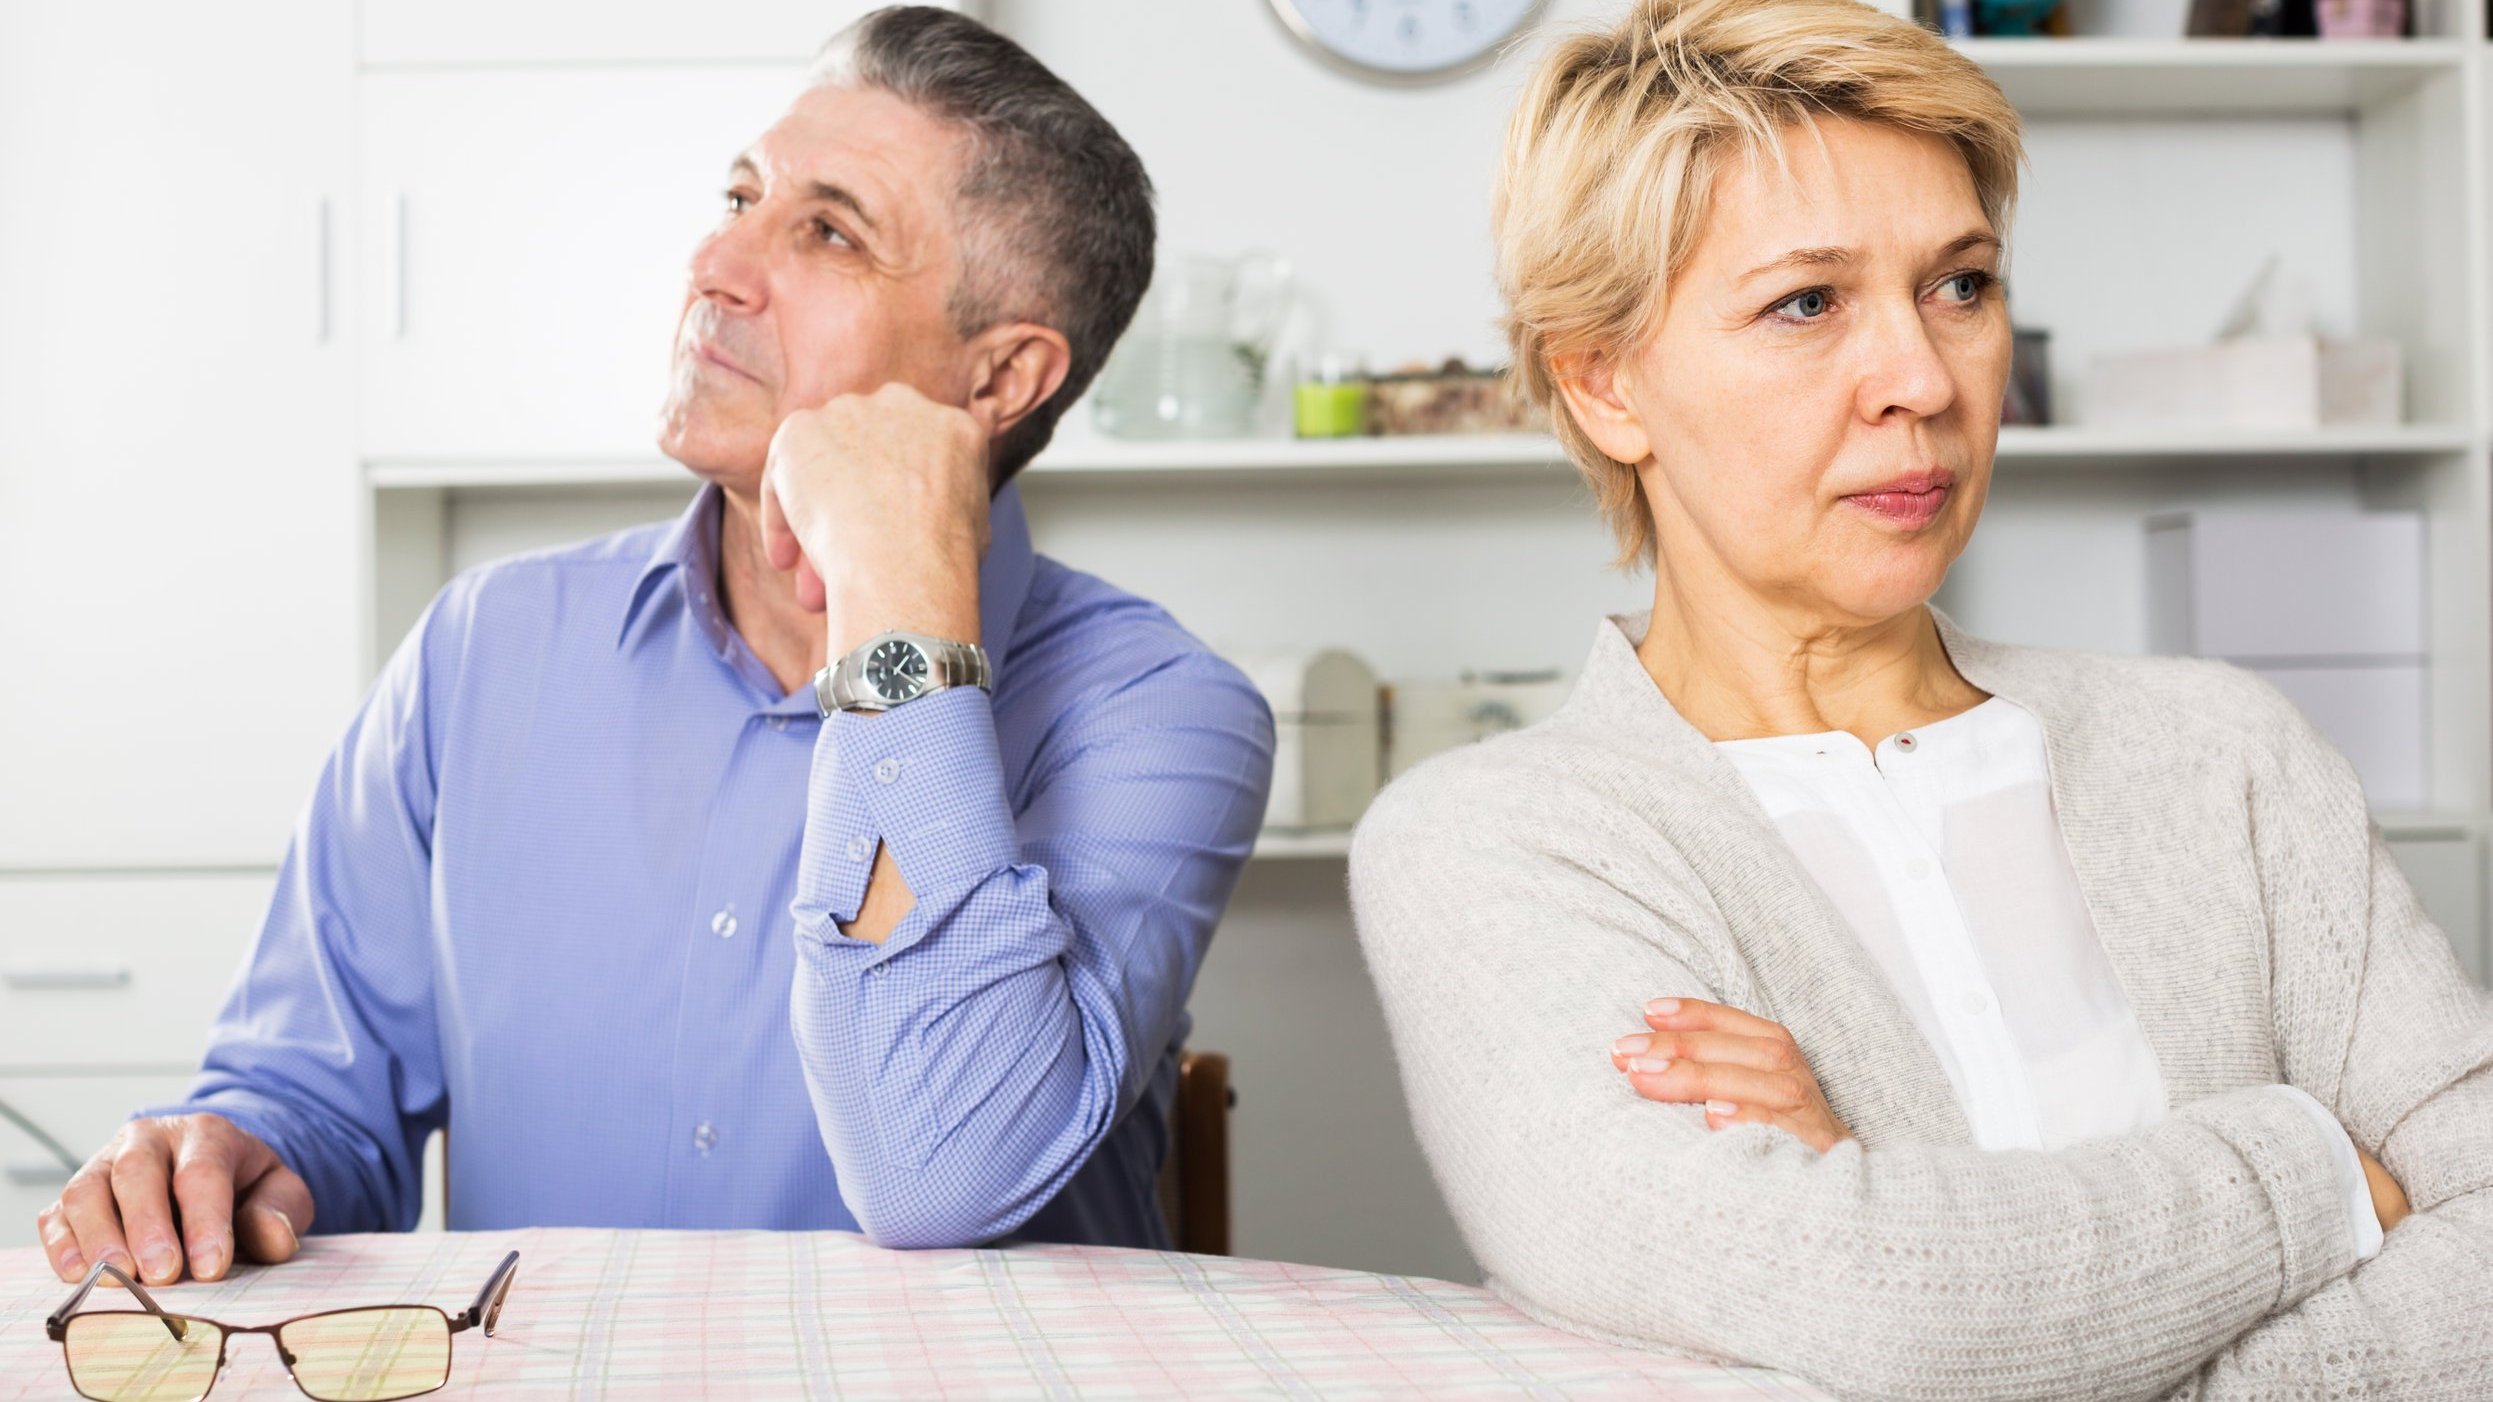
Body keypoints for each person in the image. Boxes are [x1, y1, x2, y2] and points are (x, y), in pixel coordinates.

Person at [1348, 1, 2493, 1396]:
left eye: (1959, 284)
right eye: (1806, 302)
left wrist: (1933, 1242)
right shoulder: (1499, 846)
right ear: (1603, 384)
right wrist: (2313, 1167)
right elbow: (1854, 1291)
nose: (1921, 379)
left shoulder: (2224, 752)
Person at [37, 5, 1274, 1287]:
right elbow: (314, 1103)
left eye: (829, 232)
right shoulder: (482, 650)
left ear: (1002, 379)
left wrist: (900, 594)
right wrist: (227, 1157)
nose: (715, 261)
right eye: (739, 196)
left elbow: (938, 1168)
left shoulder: (1164, 712)